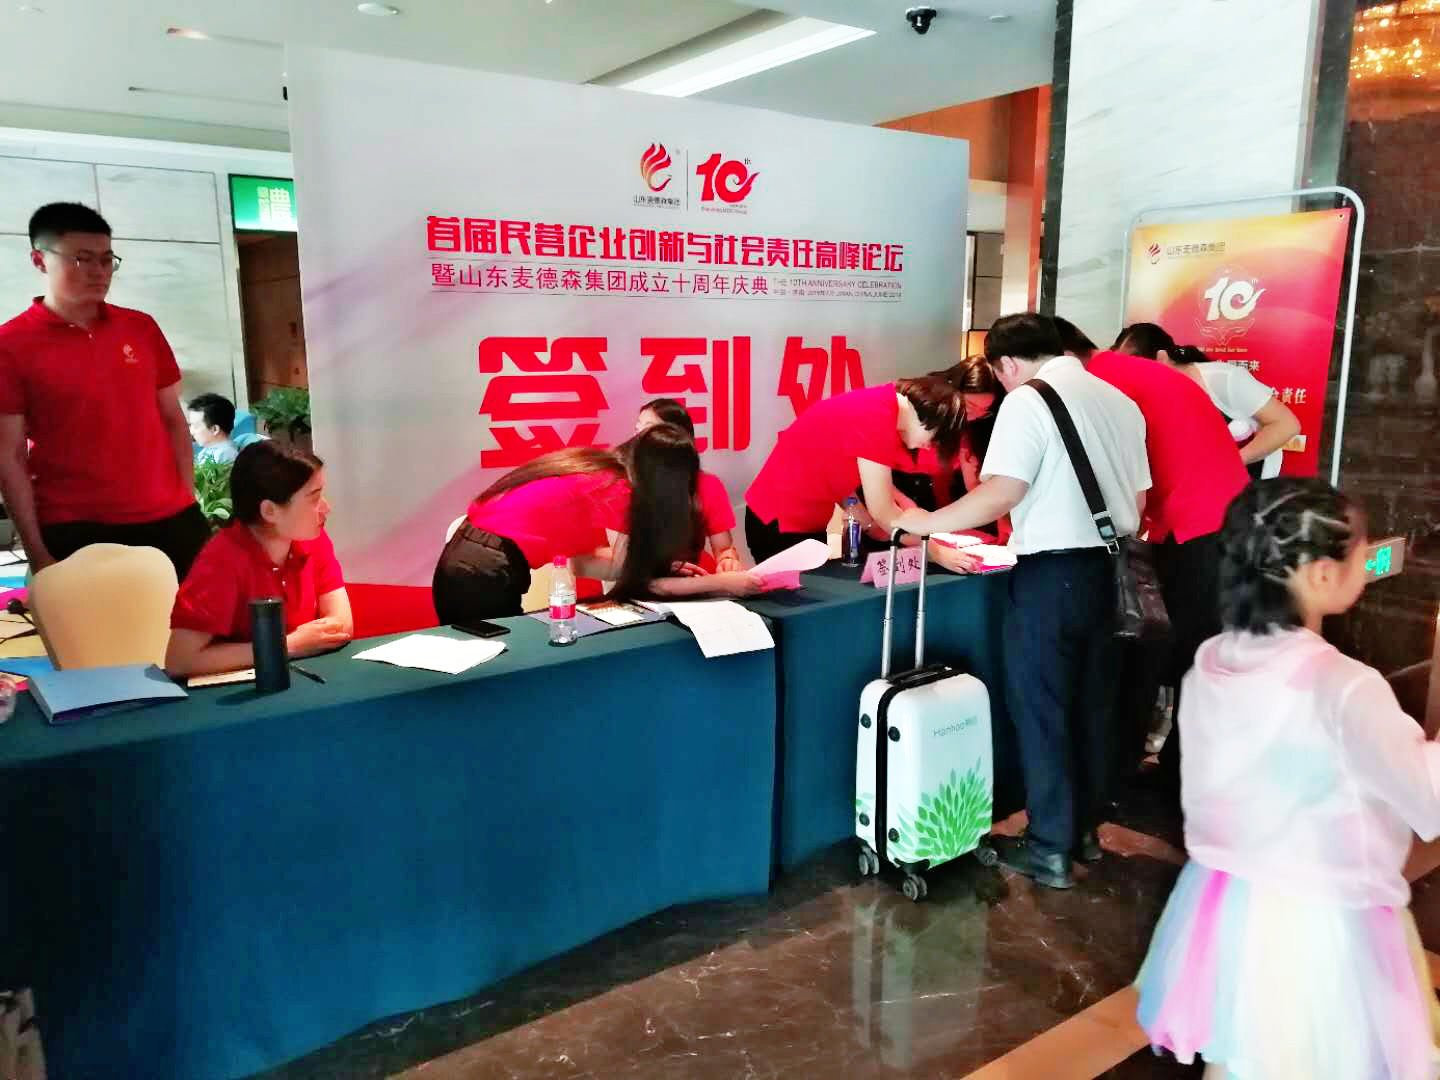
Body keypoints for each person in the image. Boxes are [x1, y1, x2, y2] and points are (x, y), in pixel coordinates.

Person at [1135, 478, 1440, 1079]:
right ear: (1322, 574)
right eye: (1360, 547)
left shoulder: (1213, 660)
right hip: (1321, 921)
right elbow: (1427, 799)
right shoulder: (1344, 685)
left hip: (1230, 904)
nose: (1368, 555)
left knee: (1241, 1053)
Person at [896, 313, 1150, 889]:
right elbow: (1137, 502)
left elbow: (1003, 492)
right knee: (1093, 704)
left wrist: (927, 524)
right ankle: (1083, 832)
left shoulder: (1028, 400)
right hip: (1114, 574)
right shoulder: (1119, 401)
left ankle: (1049, 848)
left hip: (1052, 576)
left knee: (1043, 707)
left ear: (1006, 363)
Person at [0, 202, 207, 577]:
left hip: (171, 518)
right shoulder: (11, 344)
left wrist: (186, 498)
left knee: (198, 615)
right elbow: (9, 456)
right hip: (76, 525)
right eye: (81, 259)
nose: (99, 271)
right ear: (39, 260)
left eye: (107, 259)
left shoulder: (141, 328)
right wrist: (36, 551)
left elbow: (173, 420)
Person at [1087, 325, 1252, 790]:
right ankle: (1178, 772)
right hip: (1221, 522)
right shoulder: (1146, 375)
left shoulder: (1099, 382)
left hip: (1194, 529)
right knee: (1196, 656)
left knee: (1147, 650)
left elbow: (1120, 476)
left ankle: (1121, 776)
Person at [433, 423, 763, 623]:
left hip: (466, 563)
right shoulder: (618, 491)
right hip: (485, 575)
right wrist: (724, 584)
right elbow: (649, 586)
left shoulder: (597, 472)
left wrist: (660, 565)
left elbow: (585, 563)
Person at [165, 441, 352, 678]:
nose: (326, 508)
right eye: (314, 499)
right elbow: (180, 661)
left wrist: (298, 644)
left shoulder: (312, 539)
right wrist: (289, 644)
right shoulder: (221, 560)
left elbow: (342, 624)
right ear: (270, 511)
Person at [743, 376, 968, 565]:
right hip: (779, 520)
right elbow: (884, 513)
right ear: (934, 417)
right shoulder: (876, 416)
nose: (929, 447)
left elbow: (834, 468)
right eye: (936, 440)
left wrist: (866, 516)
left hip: (805, 522)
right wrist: (936, 553)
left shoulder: (881, 405)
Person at [1114, 322, 1300, 479]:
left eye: (1136, 370)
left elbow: (1287, 425)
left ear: (1161, 358)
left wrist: (1230, 463)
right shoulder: (1146, 396)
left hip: (1249, 485)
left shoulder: (1223, 379)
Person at [634, 398, 742, 572]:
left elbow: (724, 549)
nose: (638, 437)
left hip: (694, 577)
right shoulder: (624, 482)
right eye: (638, 428)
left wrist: (728, 561)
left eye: (649, 429)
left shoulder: (707, 485)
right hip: (641, 579)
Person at [188, 392, 240, 465]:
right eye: (190, 425)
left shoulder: (226, 455)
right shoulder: (208, 450)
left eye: (196, 426)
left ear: (215, 429)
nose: (191, 432)